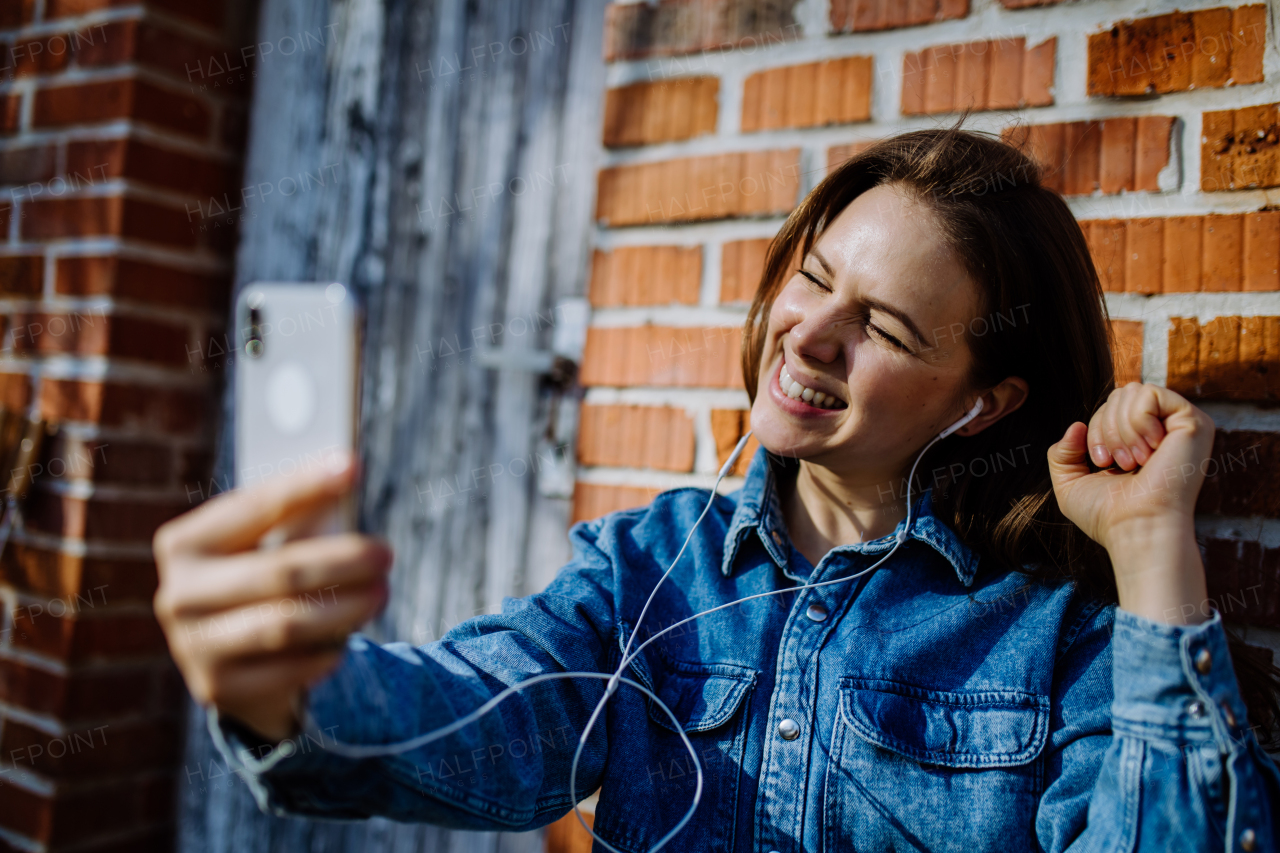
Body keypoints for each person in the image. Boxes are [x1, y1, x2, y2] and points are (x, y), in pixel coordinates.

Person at [153, 128, 1280, 852]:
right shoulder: (647, 570)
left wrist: (1148, 555)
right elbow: (482, 725)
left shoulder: (1058, 635)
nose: (811, 335)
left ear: (976, 406)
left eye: (881, 327)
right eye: (815, 278)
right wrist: (287, 691)